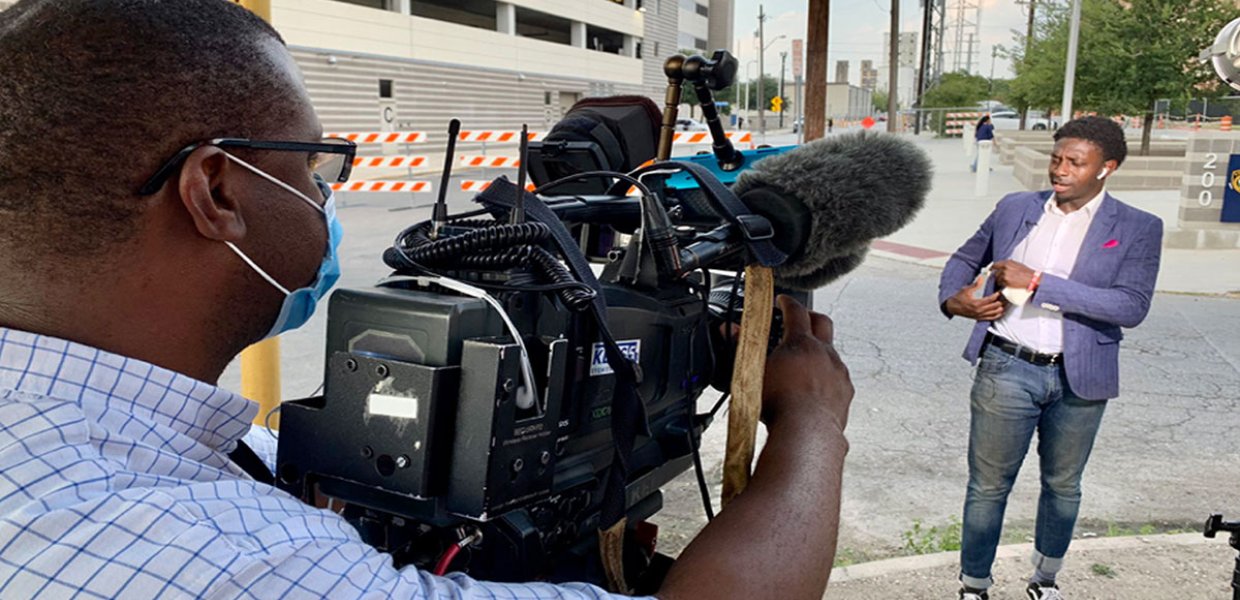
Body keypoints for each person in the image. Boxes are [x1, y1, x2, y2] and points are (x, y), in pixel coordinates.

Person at [0, 1, 855, 598]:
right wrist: (811, 425)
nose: (325, 197)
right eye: (313, 166)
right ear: (216, 191)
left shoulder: (125, 446)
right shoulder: (212, 555)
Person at [938, 116, 1163, 600]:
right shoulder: (1016, 207)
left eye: (1075, 163)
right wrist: (954, 300)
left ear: (1106, 168)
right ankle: (974, 586)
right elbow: (964, 259)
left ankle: (1044, 581)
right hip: (1006, 364)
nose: (1060, 170)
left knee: (1063, 487)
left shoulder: (1138, 228)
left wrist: (1039, 283)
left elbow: (1130, 306)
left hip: (1080, 376)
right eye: (1057, 159)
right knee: (988, 486)